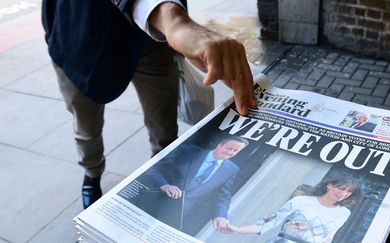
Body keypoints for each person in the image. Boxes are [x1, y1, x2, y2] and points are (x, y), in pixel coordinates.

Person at [41, 0, 256, 209]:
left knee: (164, 126)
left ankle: (164, 172)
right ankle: (92, 171)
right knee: (87, 125)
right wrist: (172, 19)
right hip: (80, 32)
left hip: (148, 39)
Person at [136, 136, 249, 235]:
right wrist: (164, 185)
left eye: (236, 150)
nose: (231, 153)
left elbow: (223, 196)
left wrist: (221, 216)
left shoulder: (231, 169)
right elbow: (152, 168)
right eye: (230, 148)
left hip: (177, 214)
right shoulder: (187, 152)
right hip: (153, 201)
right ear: (219, 145)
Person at [222, 177, 361, 243]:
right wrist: (238, 230)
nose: (343, 194)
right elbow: (268, 222)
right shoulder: (301, 201)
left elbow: (328, 238)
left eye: (349, 192)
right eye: (341, 188)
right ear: (329, 185)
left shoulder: (344, 213)